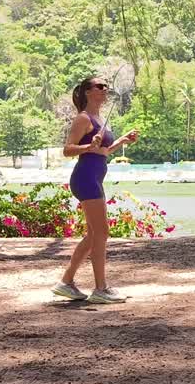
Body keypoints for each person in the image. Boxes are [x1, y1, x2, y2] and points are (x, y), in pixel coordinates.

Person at [51, 76, 139, 304]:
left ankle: (66, 283)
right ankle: (101, 289)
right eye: (100, 86)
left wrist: (122, 141)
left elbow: (103, 151)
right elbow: (68, 150)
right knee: (102, 233)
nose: (105, 89)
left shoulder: (100, 119)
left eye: (106, 87)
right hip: (86, 178)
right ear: (88, 92)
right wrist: (87, 146)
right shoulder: (83, 118)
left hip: (94, 178)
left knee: (93, 235)